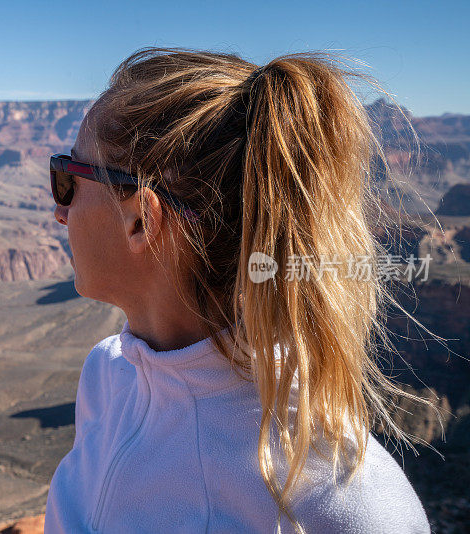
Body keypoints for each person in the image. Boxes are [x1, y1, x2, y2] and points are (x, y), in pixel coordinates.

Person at [44, 47, 432, 533]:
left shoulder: (347, 505)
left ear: (140, 220)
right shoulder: (107, 376)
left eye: (66, 178)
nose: (59, 212)